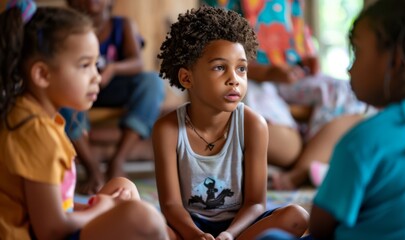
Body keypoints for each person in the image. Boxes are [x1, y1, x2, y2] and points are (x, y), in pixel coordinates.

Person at [257, 0, 405, 239]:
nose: (349, 68)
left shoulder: (362, 141)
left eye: (357, 51)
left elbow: (319, 226)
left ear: (397, 61)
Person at [0, 2, 168, 239]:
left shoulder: (34, 116)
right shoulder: (34, 132)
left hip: (45, 226)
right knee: (145, 220)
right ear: (42, 75)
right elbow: (51, 228)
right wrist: (100, 210)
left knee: (124, 188)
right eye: (85, 65)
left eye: (96, 64)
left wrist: (102, 207)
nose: (96, 76)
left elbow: (55, 208)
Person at [154, 5, 309, 240]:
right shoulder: (167, 129)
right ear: (187, 77)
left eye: (241, 69)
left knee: (297, 217)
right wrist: (195, 235)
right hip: (188, 228)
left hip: (241, 226)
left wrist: (229, 235)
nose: (234, 80)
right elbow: (170, 205)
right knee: (147, 225)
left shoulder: (253, 125)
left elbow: (256, 202)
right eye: (219, 67)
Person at [203, 0, 372, 190]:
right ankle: (309, 163)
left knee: (345, 92)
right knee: (284, 145)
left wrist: (308, 59)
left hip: (292, 77)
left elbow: (299, 38)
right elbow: (215, 52)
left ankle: (297, 173)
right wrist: (268, 73)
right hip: (249, 76)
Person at [60, 0, 166, 194]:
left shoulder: (122, 25)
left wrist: (113, 69)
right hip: (80, 91)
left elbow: (137, 63)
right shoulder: (68, 28)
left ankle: (118, 160)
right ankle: (93, 170)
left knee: (153, 82)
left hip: (113, 88)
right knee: (60, 92)